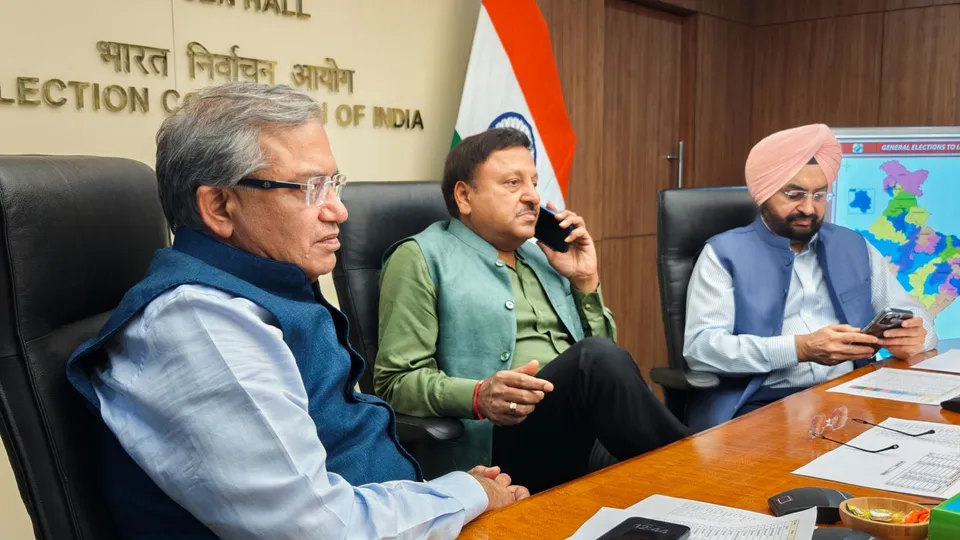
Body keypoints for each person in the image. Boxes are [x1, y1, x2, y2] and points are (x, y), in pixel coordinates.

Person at [65, 82, 529, 540]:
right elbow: (317, 529)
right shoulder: (201, 326)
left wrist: (446, 498)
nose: (339, 211)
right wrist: (463, 493)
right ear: (220, 206)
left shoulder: (263, 285)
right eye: (310, 188)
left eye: (334, 184)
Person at [374, 127, 689, 494]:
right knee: (596, 361)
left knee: (610, 383)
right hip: (499, 446)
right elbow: (394, 383)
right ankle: (706, 474)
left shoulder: (543, 255)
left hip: (582, 434)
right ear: (464, 196)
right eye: (512, 183)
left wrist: (585, 280)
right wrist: (478, 395)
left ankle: (701, 482)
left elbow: (609, 370)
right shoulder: (420, 257)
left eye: (535, 182)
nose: (533, 197)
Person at [682, 123, 938, 431]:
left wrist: (918, 336)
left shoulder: (854, 245)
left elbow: (912, 313)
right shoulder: (722, 253)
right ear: (764, 194)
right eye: (794, 194)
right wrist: (800, 348)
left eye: (819, 195)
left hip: (852, 394)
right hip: (762, 403)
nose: (808, 208)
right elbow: (702, 348)